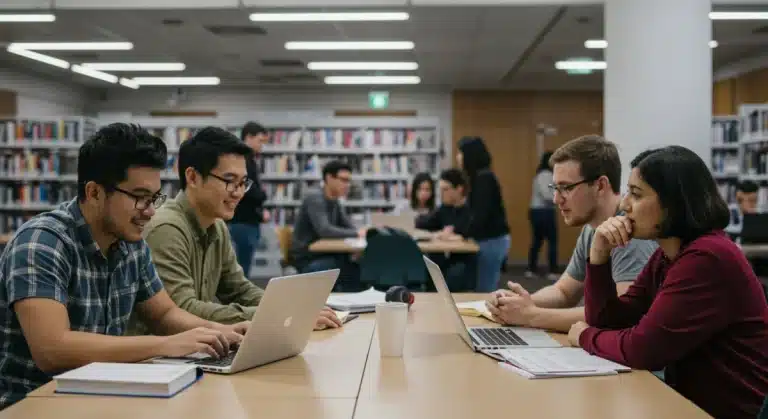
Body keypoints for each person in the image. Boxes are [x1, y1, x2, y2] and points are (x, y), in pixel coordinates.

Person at [0, 124, 248, 410]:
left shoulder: (130, 241)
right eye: (139, 197)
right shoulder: (41, 243)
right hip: (33, 403)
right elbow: (52, 349)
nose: (151, 211)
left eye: (154, 197)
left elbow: (165, 313)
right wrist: (165, 345)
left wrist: (221, 332)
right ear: (94, 193)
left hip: (97, 395)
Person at [568, 145, 768, 419]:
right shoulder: (667, 255)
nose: (624, 205)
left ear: (674, 203)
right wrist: (599, 255)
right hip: (690, 406)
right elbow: (609, 320)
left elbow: (642, 349)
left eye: (636, 194)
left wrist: (583, 336)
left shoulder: (707, 258)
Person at [136, 127, 340, 332]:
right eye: (230, 181)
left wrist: (291, 308)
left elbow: (238, 289)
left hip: (193, 347)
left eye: (243, 183)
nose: (239, 193)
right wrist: (278, 314)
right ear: (193, 177)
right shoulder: (167, 228)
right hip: (156, 358)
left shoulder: (217, 225)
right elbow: (183, 310)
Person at [487, 135, 656, 333]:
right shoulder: (591, 228)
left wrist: (530, 315)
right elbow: (564, 291)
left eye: (565, 188)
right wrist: (516, 303)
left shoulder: (628, 231)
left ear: (600, 186)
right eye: (555, 188)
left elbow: (618, 315)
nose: (557, 199)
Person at [290, 160, 365, 291]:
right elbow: (324, 230)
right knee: (351, 270)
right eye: (344, 180)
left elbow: (347, 225)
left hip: (324, 254)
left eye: (349, 181)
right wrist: (357, 234)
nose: (347, 185)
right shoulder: (315, 197)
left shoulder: (334, 199)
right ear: (329, 178)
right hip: (307, 259)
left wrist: (359, 232)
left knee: (358, 267)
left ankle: (352, 303)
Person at [456, 136, 510, 292]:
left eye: (461, 153)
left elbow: (479, 216)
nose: (458, 157)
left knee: (485, 289)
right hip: (488, 239)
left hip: (492, 240)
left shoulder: (484, 179)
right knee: (482, 286)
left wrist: (461, 234)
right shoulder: (479, 178)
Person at [416, 168, 475, 291]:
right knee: (429, 266)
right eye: (441, 189)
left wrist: (454, 236)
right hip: (443, 257)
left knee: (455, 273)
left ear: (459, 189)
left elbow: (469, 233)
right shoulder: (444, 208)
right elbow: (423, 223)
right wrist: (439, 233)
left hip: (462, 260)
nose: (442, 193)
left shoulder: (471, 210)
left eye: (446, 189)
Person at [228, 122, 270, 278]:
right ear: (248, 137)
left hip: (248, 220)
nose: (262, 146)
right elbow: (247, 191)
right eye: (260, 141)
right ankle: (240, 301)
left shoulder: (248, 159)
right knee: (242, 270)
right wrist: (263, 196)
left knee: (243, 268)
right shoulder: (243, 160)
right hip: (243, 221)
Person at [526, 151, 558, 280]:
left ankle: (531, 268)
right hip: (544, 211)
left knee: (537, 241)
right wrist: (558, 197)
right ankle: (552, 270)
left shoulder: (540, 174)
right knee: (552, 241)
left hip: (536, 211)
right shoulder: (547, 175)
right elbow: (547, 194)